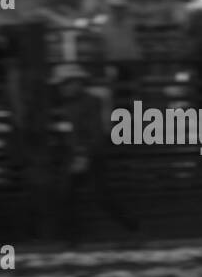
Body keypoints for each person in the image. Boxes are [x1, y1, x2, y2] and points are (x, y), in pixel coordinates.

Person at [46, 63, 138, 243]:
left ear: (76, 83)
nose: (62, 88)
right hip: (82, 154)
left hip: (88, 155)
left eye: (65, 84)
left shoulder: (87, 103)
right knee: (71, 195)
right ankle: (72, 236)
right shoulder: (75, 103)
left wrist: (82, 154)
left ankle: (131, 228)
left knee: (93, 195)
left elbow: (93, 132)